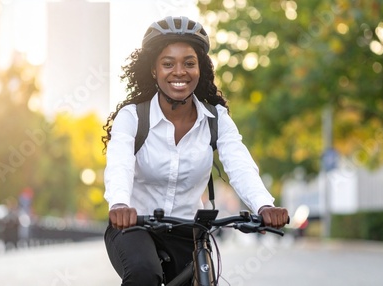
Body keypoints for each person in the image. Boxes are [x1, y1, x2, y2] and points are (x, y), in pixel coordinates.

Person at [102, 16, 289, 286]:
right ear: (154, 70)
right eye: (168, 64)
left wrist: (264, 205)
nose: (179, 71)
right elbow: (119, 164)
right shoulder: (132, 117)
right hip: (133, 227)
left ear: (200, 68)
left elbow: (239, 164)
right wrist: (120, 204)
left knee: (203, 279)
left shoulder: (216, 119)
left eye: (189, 63)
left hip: (188, 231)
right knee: (145, 275)